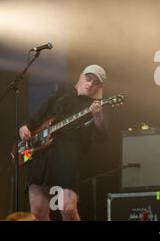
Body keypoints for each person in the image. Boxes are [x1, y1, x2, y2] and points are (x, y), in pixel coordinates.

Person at [19, 64, 108, 221]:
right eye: (88, 79)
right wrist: (24, 128)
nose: (90, 84)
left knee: (67, 208)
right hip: (41, 157)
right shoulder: (58, 96)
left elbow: (102, 137)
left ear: (99, 87)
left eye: (95, 83)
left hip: (67, 159)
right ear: (81, 76)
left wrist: (98, 117)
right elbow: (33, 120)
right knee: (38, 211)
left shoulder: (95, 107)